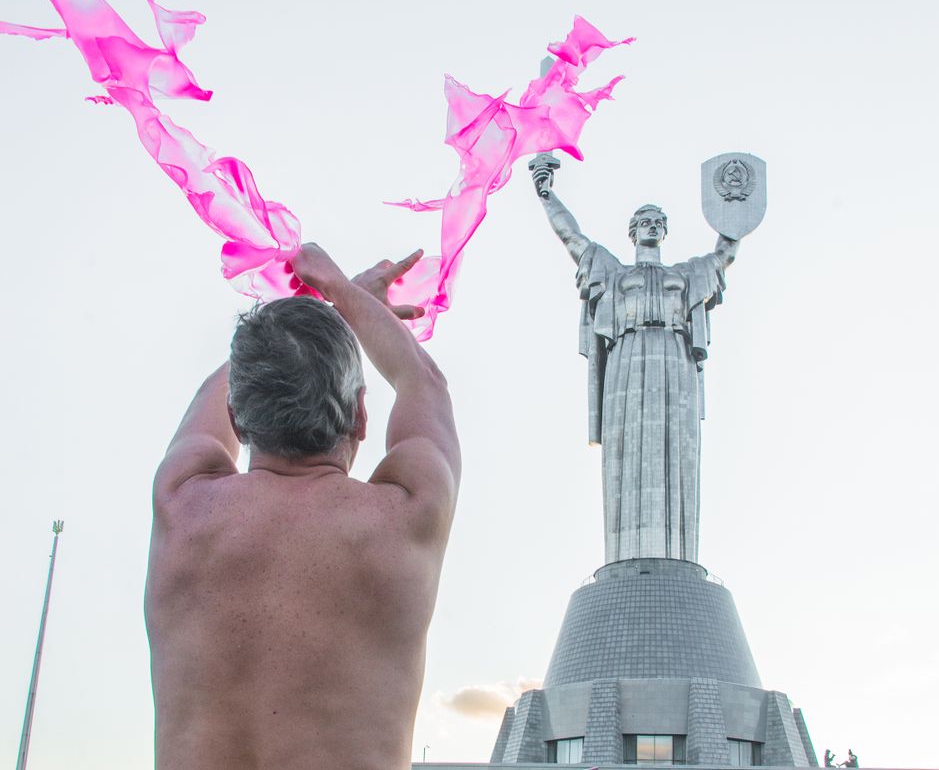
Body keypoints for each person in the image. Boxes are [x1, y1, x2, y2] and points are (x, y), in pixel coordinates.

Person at [145, 243, 460, 770]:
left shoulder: (180, 502)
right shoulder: (408, 513)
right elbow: (424, 384)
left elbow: (226, 387)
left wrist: (321, 311)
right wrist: (344, 293)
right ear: (362, 415)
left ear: (237, 418)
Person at [531, 156, 737, 563]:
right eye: (645, 220)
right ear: (632, 231)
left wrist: (734, 208)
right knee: (627, 452)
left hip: (674, 357)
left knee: (676, 448)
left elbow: (725, 253)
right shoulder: (612, 272)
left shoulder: (688, 273)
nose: (653, 225)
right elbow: (572, 238)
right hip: (627, 359)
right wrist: (546, 193)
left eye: (659, 221)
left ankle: (678, 556)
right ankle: (625, 558)